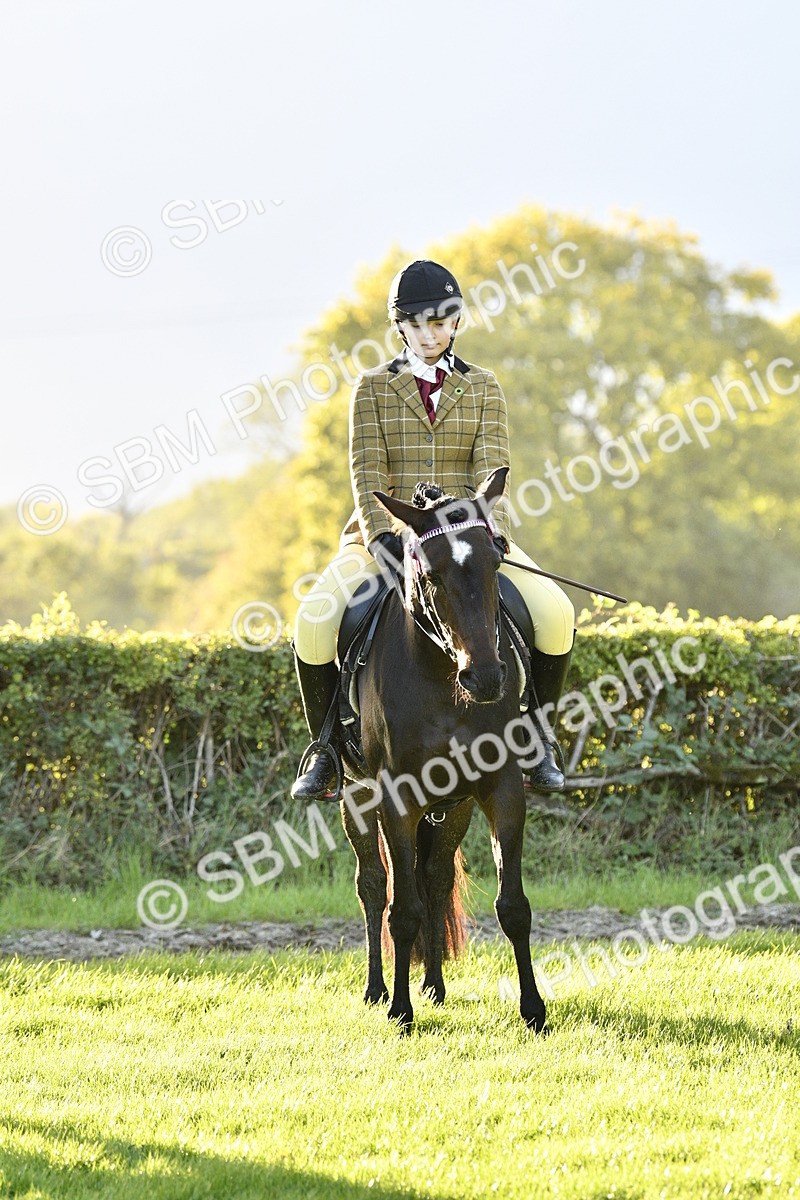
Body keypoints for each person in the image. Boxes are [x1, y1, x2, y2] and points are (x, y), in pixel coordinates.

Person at [291, 259, 575, 802]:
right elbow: (366, 473)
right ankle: (325, 748)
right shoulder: (372, 390)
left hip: (467, 542)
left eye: (439, 323)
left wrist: (491, 535)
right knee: (312, 621)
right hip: (385, 543)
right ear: (400, 327)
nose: (429, 335)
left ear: (457, 323)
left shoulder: (485, 387)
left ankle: (538, 737)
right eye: (417, 325)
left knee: (557, 614)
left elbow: (492, 470)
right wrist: (383, 539)